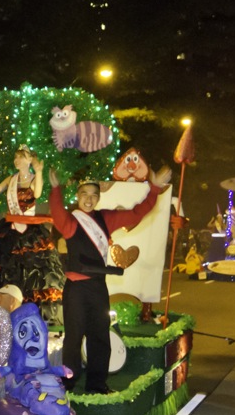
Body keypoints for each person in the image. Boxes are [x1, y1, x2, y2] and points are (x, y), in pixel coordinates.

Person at [49, 165, 171, 393]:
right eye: (84, 194)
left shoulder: (106, 218)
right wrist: (55, 189)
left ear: (98, 197)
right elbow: (57, 214)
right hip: (76, 288)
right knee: (73, 338)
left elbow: (137, 213)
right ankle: (68, 382)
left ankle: (97, 384)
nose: (89, 199)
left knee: (100, 337)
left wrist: (154, 188)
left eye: (94, 195)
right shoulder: (72, 221)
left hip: (97, 287)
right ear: (78, 196)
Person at [0, 146, 64, 327]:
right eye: (16, 158)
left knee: (34, 269)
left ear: (29, 160)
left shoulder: (32, 179)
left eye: (21, 158)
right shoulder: (11, 179)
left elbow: (37, 193)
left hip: (31, 232)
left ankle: (32, 314)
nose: (17, 161)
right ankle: (2, 312)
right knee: (2, 266)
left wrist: (39, 172)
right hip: (10, 230)